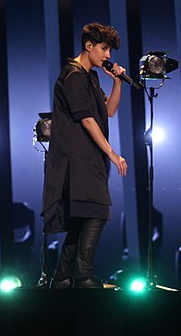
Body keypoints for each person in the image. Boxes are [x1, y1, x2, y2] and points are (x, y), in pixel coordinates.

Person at [42, 22, 128, 289]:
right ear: (89, 46)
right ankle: (82, 275)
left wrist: (117, 84)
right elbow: (88, 120)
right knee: (97, 211)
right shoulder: (73, 76)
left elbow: (109, 111)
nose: (108, 56)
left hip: (89, 159)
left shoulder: (89, 76)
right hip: (76, 160)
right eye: (104, 49)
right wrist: (113, 154)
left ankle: (62, 277)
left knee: (84, 216)